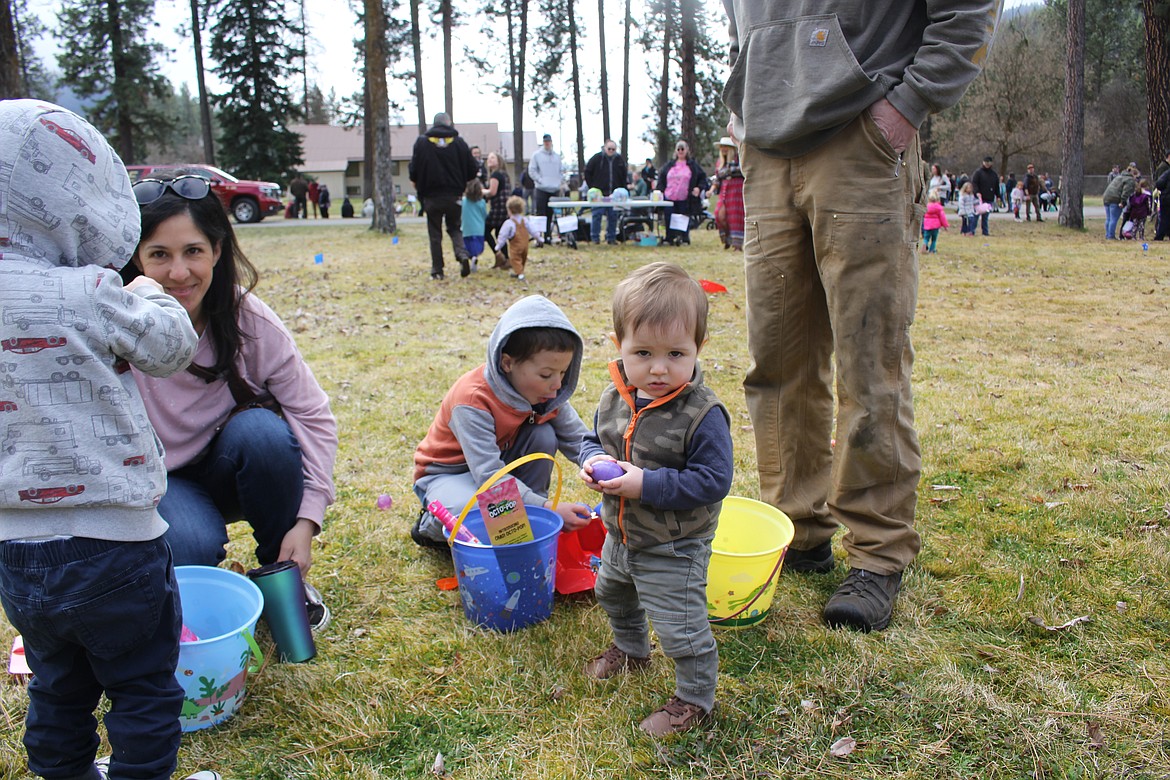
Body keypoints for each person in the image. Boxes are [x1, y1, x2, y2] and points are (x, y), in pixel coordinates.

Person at [723, 1, 999, 632]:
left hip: (862, 135)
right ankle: (797, 526)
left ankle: (877, 552)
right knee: (778, 360)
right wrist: (744, 114)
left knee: (868, 361)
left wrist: (904, 108)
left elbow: (970, 10)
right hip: (766, 147)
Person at [0, 100, 220, 780]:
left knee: (57, 681)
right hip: (113, 545)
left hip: (14, 550)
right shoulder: (91, 290)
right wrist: (148, 290)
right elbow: (169, 346)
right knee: (142, 686)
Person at [122, 168, 339, 631]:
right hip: (161, 484)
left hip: (232, 466)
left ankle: (281, 576)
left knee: (264, 433)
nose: (179, 272)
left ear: (217, 252)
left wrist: (307, 520)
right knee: (192, 545)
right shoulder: (116, 326)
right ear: (137, 260)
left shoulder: (248, 319)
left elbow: (312, 413)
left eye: (193, 252)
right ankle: (198, 591)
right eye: (159, 254)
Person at [577, 261, 733, 736]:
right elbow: (593, 439)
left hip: (673, 544)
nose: (659, 368)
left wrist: (644, 484)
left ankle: (695, 701)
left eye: (676, 353)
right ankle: (631, 651)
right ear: (618, 346)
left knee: (681, 628)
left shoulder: (702, 414)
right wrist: (589, 460)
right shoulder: (615, 397)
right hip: (621, 535)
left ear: (697, 349)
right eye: (643, 352)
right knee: (612, 592)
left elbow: (713, 481)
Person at [410, 296, 596, 548]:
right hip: (448, 474)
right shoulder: (471, 400)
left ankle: (527, 519)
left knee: (543, 435)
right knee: (492, 515)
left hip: (497, 464)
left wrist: (601, 464)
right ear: (507, 363)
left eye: (563, 372)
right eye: (546, 374)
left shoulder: (544, 392)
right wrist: (548, 508)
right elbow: (490, 476)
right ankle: (432, 526)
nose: (557, 384)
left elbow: (577, 439)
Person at [409, 112, 478, 280]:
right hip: (454, 195)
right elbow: (473, 169)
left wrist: (418, 184)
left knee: (435, 234)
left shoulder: (422, 143)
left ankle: (437, 270)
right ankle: (462, 255)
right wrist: (461, 181)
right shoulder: (459, 143)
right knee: (455, 228)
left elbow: (413, 170)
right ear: (448, 123)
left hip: (431, 197)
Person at [655, 140, 708, 245]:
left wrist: (698, 188)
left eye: (682, 149)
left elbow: (702, 178)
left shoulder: (692, 165)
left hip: (685, 197)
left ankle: (684, 238)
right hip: (669, 196)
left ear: (687, 150)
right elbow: (661, 178)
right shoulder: (670, 165)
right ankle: (669, 238)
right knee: (669, 216)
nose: (680, 151)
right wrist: (660, 190)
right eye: (678, 149)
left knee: (683, 218)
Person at [584, 140, 628, 244]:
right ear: (604, 148)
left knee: (613, 217)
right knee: (597, 216)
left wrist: (622, 188)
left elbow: (624, 176)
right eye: (609, 149)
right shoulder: (596, 158)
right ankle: (595, 238)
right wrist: (592, 187)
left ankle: (611, 238)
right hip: (599, 194)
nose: (611, 151)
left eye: (613, 149)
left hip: (615, 195)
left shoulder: (619, 160)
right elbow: (587, 172)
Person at [492, 195, 544, 280]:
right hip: (525, 244)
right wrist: (539, 238)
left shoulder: (509, 223)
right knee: (523, 259)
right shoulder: (525, 220)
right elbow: (533, 230)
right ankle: (520, 271)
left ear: (509, 210)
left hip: (515, 245)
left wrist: (499, 245)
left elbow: (503, 235)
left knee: (515, 259)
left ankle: (520, 274)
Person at [710, 136, 745, 250]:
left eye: (725, 147)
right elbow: (717, 178)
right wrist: (711, 190)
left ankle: (737, 244)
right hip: (725, 190)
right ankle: (728, 239)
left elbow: (743, 172)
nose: (723, 149)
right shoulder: (720, 163)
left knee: (735, 217)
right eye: (722, 147)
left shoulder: (739, 160)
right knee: (719, 215)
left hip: (736, 190)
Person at [529, 133, 563, 243]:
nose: (547, 143)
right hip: (541, 189)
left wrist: (559, 182)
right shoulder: (536, 155)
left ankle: (548, 236)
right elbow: (532, 170)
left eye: (548, 141)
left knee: (550, 214)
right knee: (540, 214)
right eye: (545, 142)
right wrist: (540, 180)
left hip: (554, 189)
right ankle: (539, 237)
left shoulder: (557, 157)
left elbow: (561, 171)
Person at [483, 151, 511, 268]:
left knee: (484, 231)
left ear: (498, 161)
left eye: (493, 158)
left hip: (498, 208)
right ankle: (506, 259)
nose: (490, 160)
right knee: (500, 233)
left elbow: (492, 192)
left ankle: (498, 254)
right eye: (489, 158)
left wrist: (481, 191)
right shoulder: (504, 174)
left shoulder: (495, 175)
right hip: (505, 208)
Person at [1102, 164, 1137, 239]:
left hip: (1106, 197)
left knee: (1108, 218)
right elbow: (1126, 192)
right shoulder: (1129, 180)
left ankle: (1107, 234)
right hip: (1115, 199)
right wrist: (1123, 202)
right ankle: (1111, 236)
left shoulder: (1119, 177)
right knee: (1113, 219)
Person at [971, 156, 999, 235]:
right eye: (985, 162)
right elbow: (974, 183)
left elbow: (996, 186)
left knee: (985, 217)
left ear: (991, 163)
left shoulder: (994, 174)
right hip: (978, 198)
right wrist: (976, 192)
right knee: (975, 216)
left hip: (989, 197)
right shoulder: (978, 173)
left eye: (989, 162)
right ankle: (972, 231)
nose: (987, 163)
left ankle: (985, 232)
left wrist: (998, 195)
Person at [921, 189, 949, 253]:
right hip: (935, 226)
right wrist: (945, 226)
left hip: (927, 225)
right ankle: (932, 250)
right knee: (934, 239)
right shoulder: (939, 207)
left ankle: (924, 246)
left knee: (926, 238)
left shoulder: (926, 207)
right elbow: (942, 217)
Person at [1155, 152, 1170, 241]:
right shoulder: (1164, 168)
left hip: (1165, 197)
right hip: (1167, 197)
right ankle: (1160, 235)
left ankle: (1160, 235)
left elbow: (1159, 183)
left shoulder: (1167, 171)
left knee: (1164, 218)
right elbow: (1159, 183)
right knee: (1165, 218)